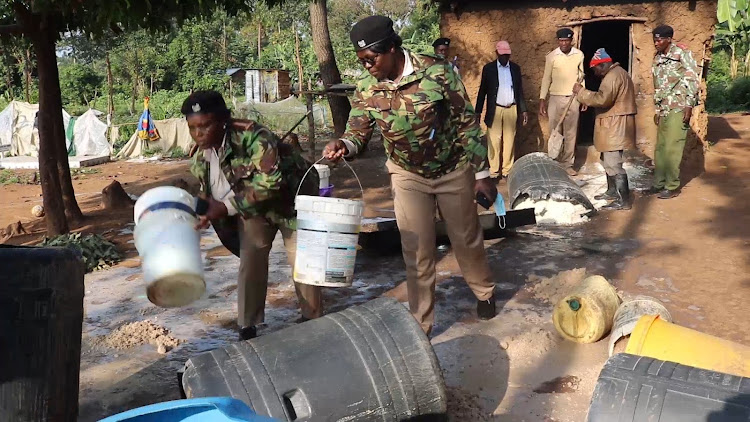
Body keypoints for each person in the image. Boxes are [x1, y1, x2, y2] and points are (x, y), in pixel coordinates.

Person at [324, 16, 497, 335]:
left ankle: (484, 292)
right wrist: (343, 146)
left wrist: (481, 173)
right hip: (406, 175)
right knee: (417, 249)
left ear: (392, 48)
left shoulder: (437, 70)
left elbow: (466, 123)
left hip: (452, 170)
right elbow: (358, 132)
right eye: (361, 61)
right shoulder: (365, 86)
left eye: (371, 59)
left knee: (466, 239)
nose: (367, 67)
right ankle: (422, 322)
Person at [183, 90, 323, 341]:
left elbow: (272, 183)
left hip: (293, 200)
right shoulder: (201, 157)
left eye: (205, 126)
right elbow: (209, 193)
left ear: (223, 121)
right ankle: (248, 325)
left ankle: (311, 318)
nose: (198, 134)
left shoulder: (253, 136)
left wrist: (224, 208)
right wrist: (202, 214)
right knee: (251, 257)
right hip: (254, 206)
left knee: (302, 259)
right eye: (193, 128)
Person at [573, 48, 637, 210]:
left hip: (615, 125)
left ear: (602, 65)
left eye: (595, 69)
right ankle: (612, 190)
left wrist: (582, 93)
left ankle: (624, 200)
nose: (595, 73)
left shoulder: (613, 77)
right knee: (606, 160)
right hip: (613, 123)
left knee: (614, 163)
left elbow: (603, 99)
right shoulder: (616, 74)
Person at [646, 24, 699, 199]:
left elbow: (692, 79)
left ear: (669, 39)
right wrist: (658, 106)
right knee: (660, 147)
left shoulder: (682, 53)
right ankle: (658, 183)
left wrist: (689, 105)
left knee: (672, 147)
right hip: (664, 108)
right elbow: (658, 83)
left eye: (660, 39)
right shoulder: (658, 57)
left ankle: (672, 185)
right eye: (655, 39)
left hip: (679, 106)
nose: (656, 43)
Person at [475, 40, 528, 179]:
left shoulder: (515, 68)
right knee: (494, 141)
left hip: (511, 108)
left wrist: (523, 110)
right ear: (496, 54)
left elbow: (519, 91)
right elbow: (482, 92)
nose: (505, 58)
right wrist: (478, 112)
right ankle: (493, 172)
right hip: (496, 109)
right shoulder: (489, 69)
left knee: (510, 140)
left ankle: (507, 171)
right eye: (502, 55)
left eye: (507, 55)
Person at [539, 28, 586, 176]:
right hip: (555, 98)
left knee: (571, 133)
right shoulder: (552, 56)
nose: (563, 43)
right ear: (558, 41)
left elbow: (581, 76)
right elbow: (546, 78)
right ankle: (555, 163)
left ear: (571, 40)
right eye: (561, 41)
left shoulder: (579, 55)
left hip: (573, 98)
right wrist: (542, 99)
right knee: (555, 131)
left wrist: (583, 96)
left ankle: (567, 164)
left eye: (566, 40)